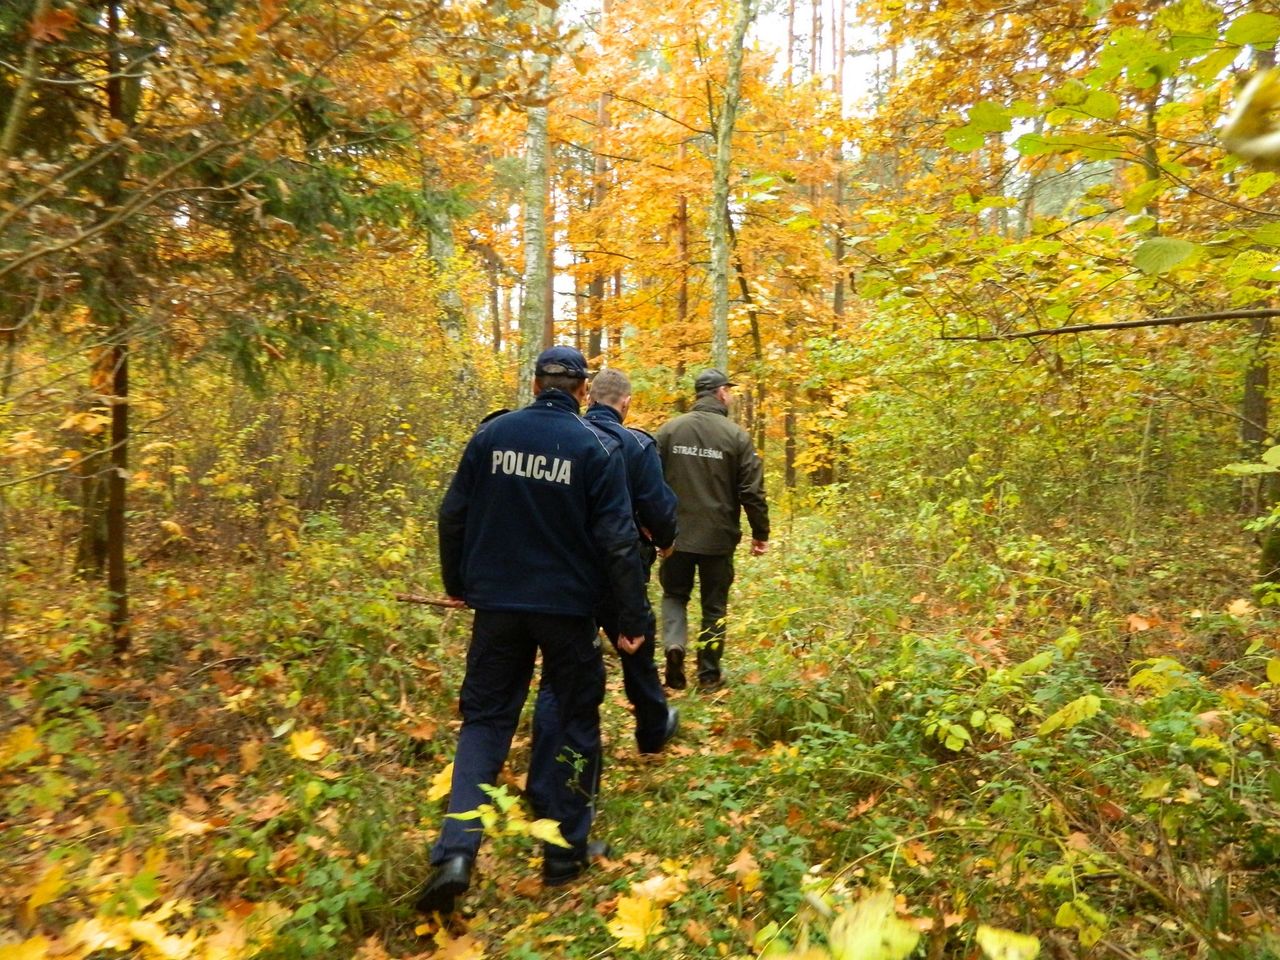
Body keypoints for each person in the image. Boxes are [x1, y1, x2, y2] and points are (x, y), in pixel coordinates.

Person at [414, 346, 648, 916]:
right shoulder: (596, 447)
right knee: (573, 717)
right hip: (567, 611)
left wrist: (458, 582)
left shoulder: (492, 435)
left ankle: (456, 852)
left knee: (486, 720)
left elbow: (453, 514)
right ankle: (563, 853)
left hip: (496, 604)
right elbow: (619, 540)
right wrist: (631, 618)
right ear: (580, 389)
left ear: (537, 381)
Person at [530, 367, 680, 769]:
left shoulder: (565, 438)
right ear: (625, 403)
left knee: (560, 670)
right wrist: (665, 541)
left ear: (589, 396)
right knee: (637, 651)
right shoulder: (637, 445)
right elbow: (660, 509)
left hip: (567, 571)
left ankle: (552, 755)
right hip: (621, 572)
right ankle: (651, 732)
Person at [654, 369, 769, 692]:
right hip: (718, 538)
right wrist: (761, 532)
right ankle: (708, 676)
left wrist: (652, 526)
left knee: (675, 594)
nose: (730, 396)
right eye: (729, 391)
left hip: (675, 535)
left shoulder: (669, 431)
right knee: (714, 606)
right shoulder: (736, 436)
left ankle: (674, 647)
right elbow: (752, 491)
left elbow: (650, 483)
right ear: (720, 393)